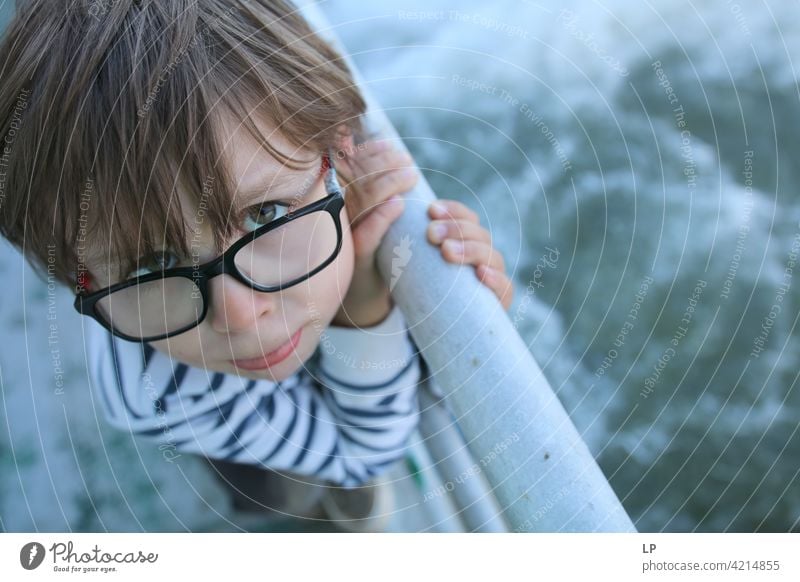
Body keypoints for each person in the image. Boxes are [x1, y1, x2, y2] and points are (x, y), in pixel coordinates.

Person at [0, 0, 513, 532]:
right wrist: (363, 306)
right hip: (220, 411)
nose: (239, 315)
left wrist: (448, 314)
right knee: (278, 487)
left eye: (264, 215)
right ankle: (321, 506)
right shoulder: (150, 391)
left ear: (338, 154)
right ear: (79, 279)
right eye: (150, 265)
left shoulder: (317, 183)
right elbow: (366, 453)